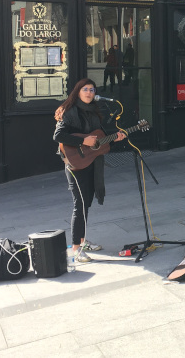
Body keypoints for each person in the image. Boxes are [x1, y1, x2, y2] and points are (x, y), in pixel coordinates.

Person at [53, 79, 126, 263]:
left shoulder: (94, 112)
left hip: (90, 162)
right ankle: (76, 249)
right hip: (75, 164)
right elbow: (58, 135)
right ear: (77, 92)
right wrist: (82, 141)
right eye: (85, 89)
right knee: (80, 205)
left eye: (92, 90)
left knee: (86, 203)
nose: (89, 92)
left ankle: (83, 242)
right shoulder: (70, 112)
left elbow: (98, 140)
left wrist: (114, 138)